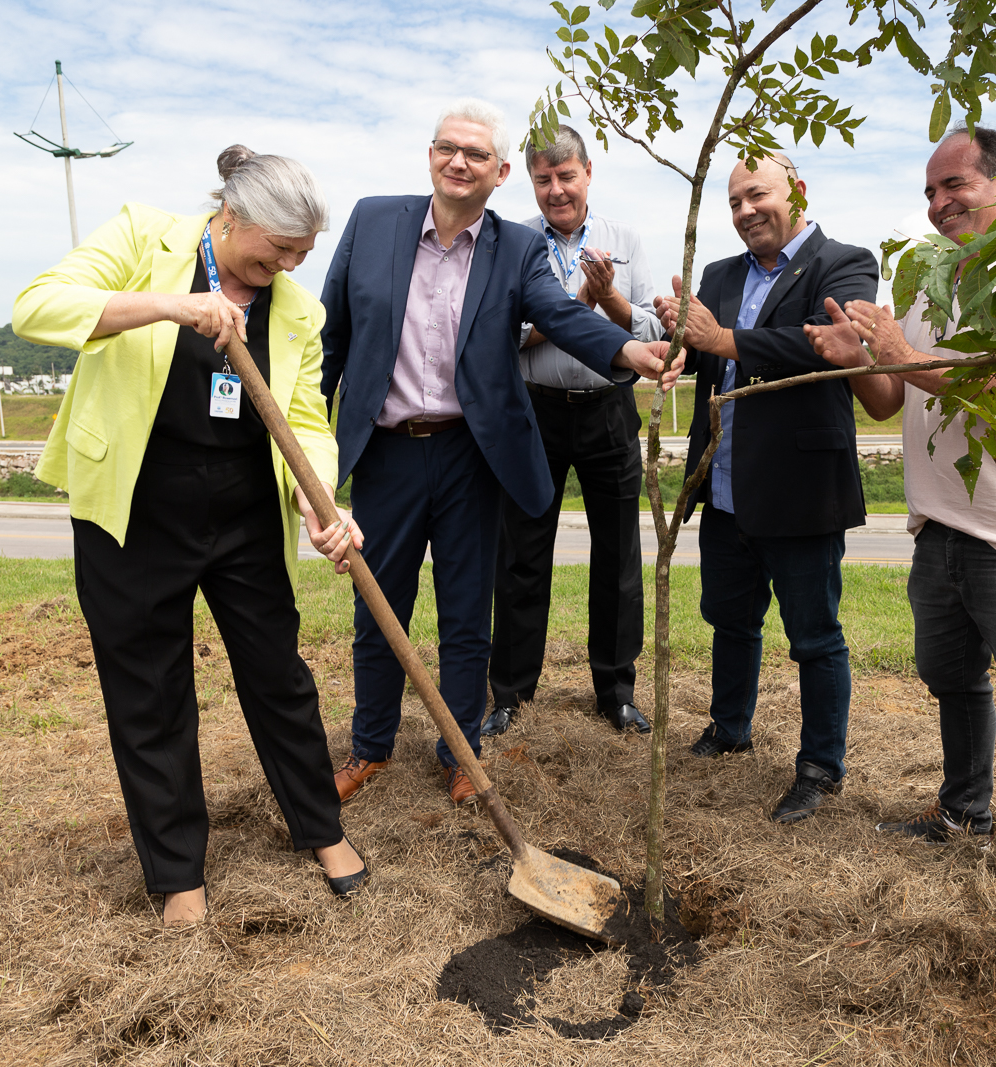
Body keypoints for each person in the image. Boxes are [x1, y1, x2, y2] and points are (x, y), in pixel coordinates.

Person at [13, 146, 368, 927]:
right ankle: (178, 873)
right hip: (134, 509)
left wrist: (320, 500)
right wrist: (174, 306)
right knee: (151, 689)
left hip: (241, 513)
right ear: (229, 215)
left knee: (278, 672)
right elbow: (38, 306)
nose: (287, 265)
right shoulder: (147, 238)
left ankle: (321, 827)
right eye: (277, 249)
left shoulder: (298, 310)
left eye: (302, 254)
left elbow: (304, 417)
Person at [319, 99, 680, 807]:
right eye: (446, 148)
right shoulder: (371, 220)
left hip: (467, 453)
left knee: (465, 611)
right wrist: (311, 438)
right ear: (430, 156)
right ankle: (369, 745)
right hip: (386, 452)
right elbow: (332, 335)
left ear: (500, 172)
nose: (459, 162)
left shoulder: (515, 247)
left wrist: (628, 348)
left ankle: (460, 748)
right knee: (377, 604)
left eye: (476, 155)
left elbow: (559, 312)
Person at [804, 127, 996, 927]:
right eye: (929, 193)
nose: (938, 205)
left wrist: (892, 346)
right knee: (952, 679)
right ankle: (964, 811)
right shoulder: (933, 284)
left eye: (954, 186)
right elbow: (895, 398)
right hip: (939, 528)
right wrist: (856, 357)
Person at [656, 153, 877, 824]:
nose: (745, 210)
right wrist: (668, 325)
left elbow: (822, 343)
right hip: (723, 482)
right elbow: (696, 353)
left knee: (813, 634)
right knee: (729, 618)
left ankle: (819, 767)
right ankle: (730, 728)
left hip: (801, 485)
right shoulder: (721, 273)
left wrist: (721, 337)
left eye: (757, 195)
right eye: (733, 202)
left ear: (797, 191)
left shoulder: (844, 262)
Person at [484, 124, 663, 739]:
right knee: (522, 556)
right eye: (543, 179)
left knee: (618, 555)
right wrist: (573, 308)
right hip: (532, 411)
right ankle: (509, 693)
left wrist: (605, 299)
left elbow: (643, 334)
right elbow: (502, 337)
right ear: (530, 181)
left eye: (567, 176)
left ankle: (616, 692)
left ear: (589, 173)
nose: (556, 190)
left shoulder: (626, 240)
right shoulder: (510, 245)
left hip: (607, 409)